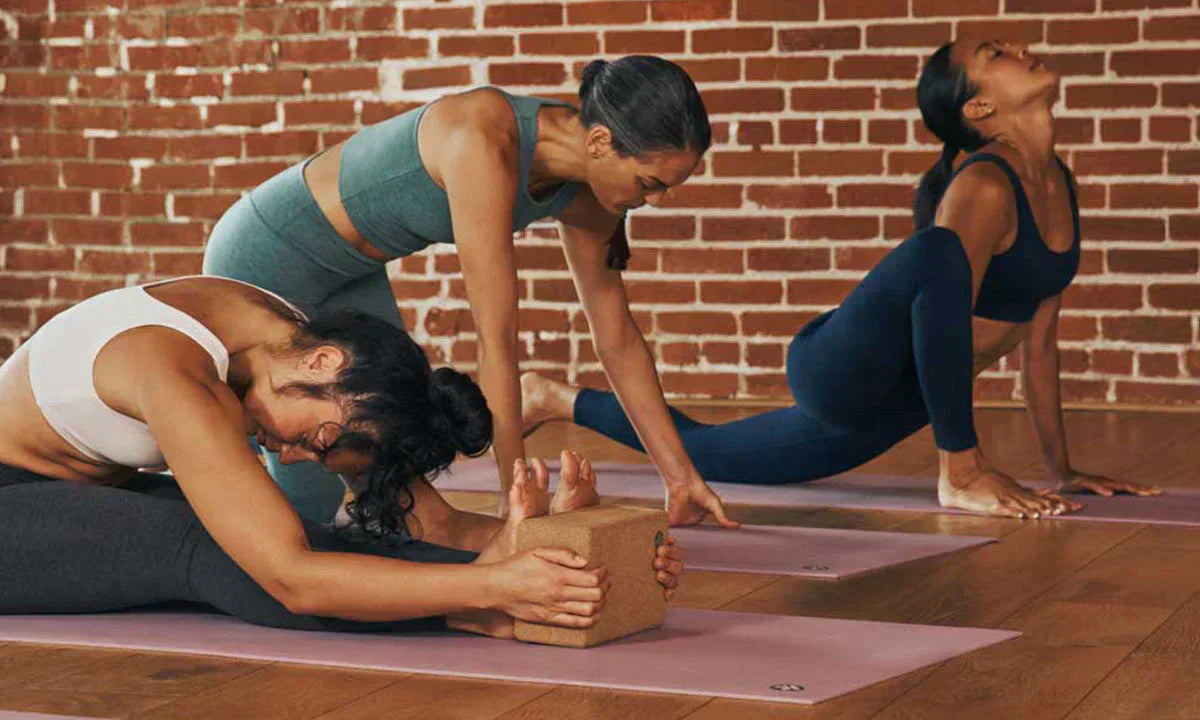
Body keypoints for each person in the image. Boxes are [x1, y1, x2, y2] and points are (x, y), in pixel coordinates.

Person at [517, 39, 1161, 519]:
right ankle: (958, 469)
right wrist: (961, 464)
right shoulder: (984, 185)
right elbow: (940, 292)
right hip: (841, 370)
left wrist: (1063, 468)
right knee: (937, 248)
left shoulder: (1058, 186)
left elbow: (1038, 340)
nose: (1021, 49)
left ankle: (552, 399)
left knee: (704, 456)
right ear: (980, 106)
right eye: (997, 52)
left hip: (907, 400)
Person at [202, 55, 735, 530]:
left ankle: (389, 560)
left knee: (384, 437)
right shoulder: (484, 141)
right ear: (600, 142)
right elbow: (496, 341)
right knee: (313, 454)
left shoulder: (593, 191)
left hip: (350, 269)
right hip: (271, 248)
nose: (657, 200)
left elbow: (617, 338)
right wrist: (514, 496)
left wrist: (680, 475)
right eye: (650, 184)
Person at [0, 275, 683, 637]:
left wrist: (567, 548)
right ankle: (489, 615)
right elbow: (294, 581)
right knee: (217, 550)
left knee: (295, 533)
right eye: (318, 441)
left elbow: (427, 522)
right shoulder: (176, 374)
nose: (294, 456)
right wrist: (493, 588)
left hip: (64, 499)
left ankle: (506, 594)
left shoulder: (281, 340)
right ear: (326, 361)